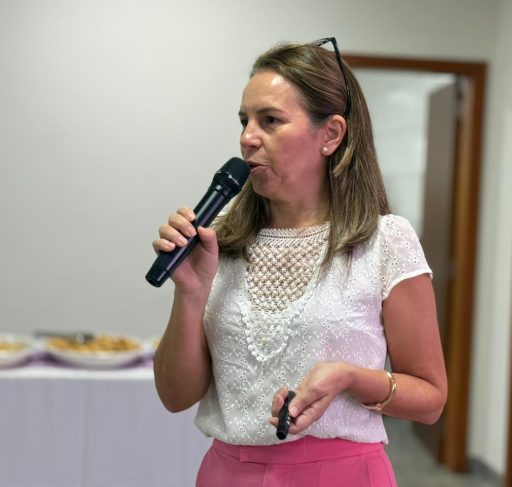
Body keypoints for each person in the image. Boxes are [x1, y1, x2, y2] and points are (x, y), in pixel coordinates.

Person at [152, 37, 447, 487]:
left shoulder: (385, 241)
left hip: (343, 475)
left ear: (330, 134)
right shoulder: (219, 242)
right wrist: (190, 294)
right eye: (245, 121)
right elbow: (175, 397)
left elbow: (430, 399)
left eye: (270, 120)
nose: (247, 138)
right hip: (228, 473)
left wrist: (350, 378)